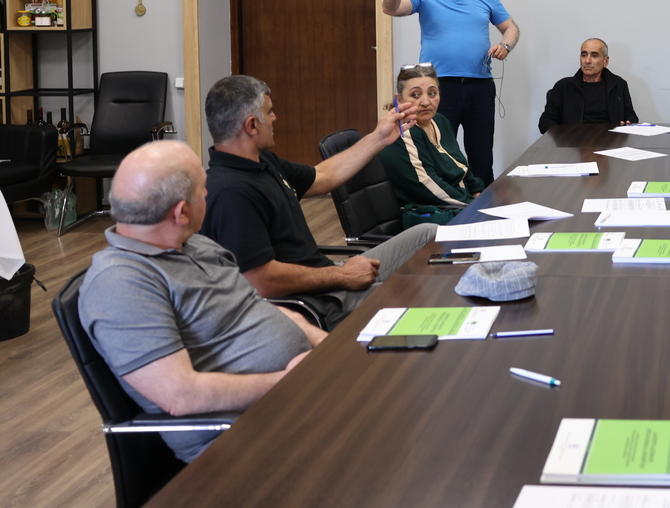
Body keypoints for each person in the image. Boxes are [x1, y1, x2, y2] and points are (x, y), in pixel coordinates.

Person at [79, 142, 325, 463]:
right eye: (202, 189)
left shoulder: (195, 244)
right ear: (181, 212)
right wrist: (288, 382)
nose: (208, 194)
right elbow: (181, 395)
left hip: (296, 400)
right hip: (241, 440)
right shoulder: (120, 283)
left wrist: (323, 343)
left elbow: (255, 307)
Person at [199, 75, 437, 330]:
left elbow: (323, 176)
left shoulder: (263, 161)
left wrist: (379, 137)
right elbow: (261, 280)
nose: (275, 117)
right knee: (419, 295)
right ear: (252, 125)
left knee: (430, 234)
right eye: (269, 112)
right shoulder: (231, 192)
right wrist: (341, 275)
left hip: (326, 276)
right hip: (318, 302)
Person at [382, 0, 519, 185]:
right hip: (438, 89)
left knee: (481, 155)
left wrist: (505, 45)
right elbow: (391, 8)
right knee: (439, 152)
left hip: (480, 86)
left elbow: (511, 28)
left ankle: (483, 201)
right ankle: (449, 201)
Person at [381, 64, 488, 209]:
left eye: (432, 93)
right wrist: (474, 205)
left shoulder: (439, 121)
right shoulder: (401, 134)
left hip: (463, 203)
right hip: (436, 212)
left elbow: (461, 165)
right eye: (415, 95)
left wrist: (477, 191)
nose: (426, 102)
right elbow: (430, 187)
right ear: (399, 100)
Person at [538, 38, 638, 133]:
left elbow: (631, 116)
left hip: (611, 140)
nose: (587, 61)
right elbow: (545, 121)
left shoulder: (618, 84)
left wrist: (628, 123)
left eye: (594, 55)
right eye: (584, 55)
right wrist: (563, 136)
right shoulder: (563, 87)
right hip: (573, 141)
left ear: (605, 61)